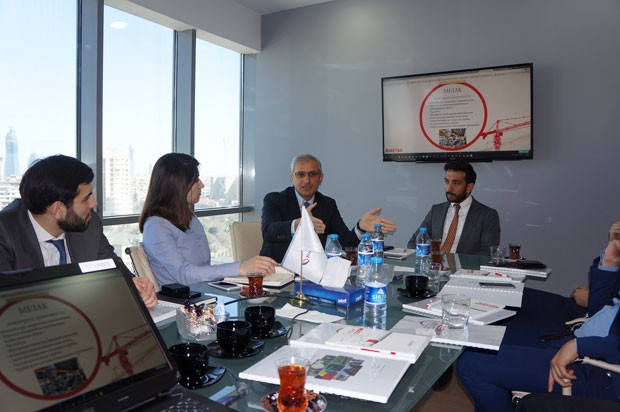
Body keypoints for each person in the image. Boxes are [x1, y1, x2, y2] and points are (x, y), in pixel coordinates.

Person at [457, 237, 620, 412]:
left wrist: (579, 346)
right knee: (485, 341)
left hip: (601, 371)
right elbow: (600, 311)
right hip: (582, 341)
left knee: (472, 365)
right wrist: (609, 263)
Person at [0, 155, 157, 308]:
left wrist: (135, 287)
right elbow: (9, 306)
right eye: (86, 198)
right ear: (58, 209)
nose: (94, 203)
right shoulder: (5, 234)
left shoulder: (89, 224)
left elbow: (115, 271)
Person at [140, 153, 277, 286]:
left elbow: (203, 268)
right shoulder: (155, 227)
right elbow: (184, 274)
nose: (201, 185)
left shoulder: (189, 216)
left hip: (203, 291)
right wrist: (240, 268)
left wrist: (243, 268)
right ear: (177, 185)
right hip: (182, 298)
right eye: (195, 180)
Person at [259, 153, 397, 262]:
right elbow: (268, 231)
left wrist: (360, 227)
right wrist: (300, 225)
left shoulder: (327, 204)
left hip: (314, 273)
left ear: (320, 178)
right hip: (277, 269)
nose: (307, 180)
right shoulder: (275, 200)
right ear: (292, 178)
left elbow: (344, 242)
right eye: (300, 174)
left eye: (312, 174)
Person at [407, 160, 500, 255]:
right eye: (447, 182)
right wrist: (428, 259)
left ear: (469, 187)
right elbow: (414, 242)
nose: (449, 188)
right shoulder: (436, 210)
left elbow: (487, 254)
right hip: (433, 262)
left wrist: (455, 262)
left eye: (456, 183)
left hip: (464, 264)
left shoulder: (487, 216)